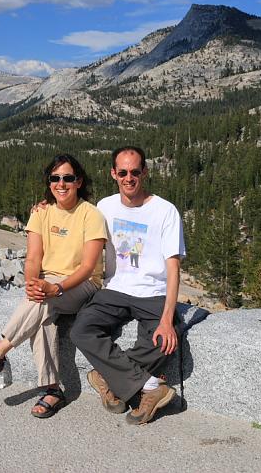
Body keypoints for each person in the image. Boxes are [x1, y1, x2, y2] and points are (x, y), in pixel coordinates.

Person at [0, 154, 107, 418]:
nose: (61, 184)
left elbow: (88, 268)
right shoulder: (41, 212)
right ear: (49, 182)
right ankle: (52, 389)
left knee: (43, 299)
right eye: (55, 178)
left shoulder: (91, 214)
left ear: (79, 181)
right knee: (42, 317)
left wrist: (58, 288)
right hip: (48, 282)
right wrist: (32, 283)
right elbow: (32, 258)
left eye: (67, 178)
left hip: (83, 284)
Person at [70, 146, 186, 426]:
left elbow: (173, 269)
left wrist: (168, 320)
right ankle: (149, 387)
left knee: (165, 341)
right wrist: (44, 205)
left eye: (135, 171)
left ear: (144, 172)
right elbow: (71, 210)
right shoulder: (105, 207)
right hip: (114, 289)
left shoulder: (165, 211)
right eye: (122, 172)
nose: (129, 178)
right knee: (81, 330)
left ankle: (105, 376)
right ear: (113, 174)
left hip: (152, 292)